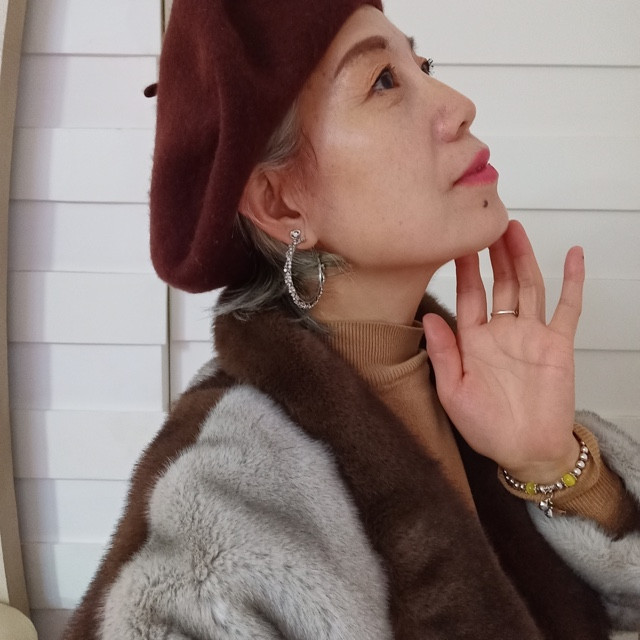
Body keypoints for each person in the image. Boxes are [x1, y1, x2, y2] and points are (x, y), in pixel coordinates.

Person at [63, 1, 640, 638]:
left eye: (423, 66)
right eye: (383, 81)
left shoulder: (485, 393)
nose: (460, 105)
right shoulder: (221, 514)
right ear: (282, 204)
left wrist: (555, 467)